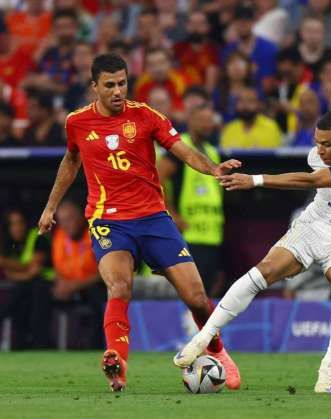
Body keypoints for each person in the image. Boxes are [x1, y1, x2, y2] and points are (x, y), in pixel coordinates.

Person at [37, 53, 241, 391]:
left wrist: (213, 169)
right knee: (119, 286)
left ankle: (219, 352)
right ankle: (117, 364)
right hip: (108, 220)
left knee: (196, 296)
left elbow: (183, 150)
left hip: (153, 219)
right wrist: (50, 207)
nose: (118, 91)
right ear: (94, 87)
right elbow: (71, 161)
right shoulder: (77, 122)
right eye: (110, 85)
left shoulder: (146, 116)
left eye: (122, 83)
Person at [175, 110, 331, 394]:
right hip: (315, 224)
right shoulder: (316, 156)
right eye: (317, 142)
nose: (319, 150)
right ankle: (203, 338)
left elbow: (312, 182)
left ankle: (330, 366)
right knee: (262, 272)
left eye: (327, 144)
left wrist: (254, 180)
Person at [159, 104, 225, 297]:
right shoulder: (181, 147)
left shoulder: (212, 152)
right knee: (188, 295)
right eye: (202, 120)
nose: (207, 125)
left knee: (207, 294)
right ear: (191, 121)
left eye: (210, 120)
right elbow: (158, 176)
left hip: (212, 236)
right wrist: (170, 213)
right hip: (187, 236)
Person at [51, 199, 106, 349]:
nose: (66, 224)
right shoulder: (60, 236)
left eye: (70, 218)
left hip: (93, 284)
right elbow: (58, 265)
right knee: (38, 292)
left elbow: (106, 271)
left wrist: (75, 285)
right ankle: (41, 344)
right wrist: (61, 283)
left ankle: (95, 347)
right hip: (69, 284)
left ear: (81, 216)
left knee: (98, 297)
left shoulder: (96, 233)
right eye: (62, 221)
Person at [0, 207, 53, 349]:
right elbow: (10, 274)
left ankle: (39, 344)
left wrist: (5, 263)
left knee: (32, 291)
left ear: (26, 223)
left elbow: (34, 269)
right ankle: (20, 345)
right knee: (20, 298)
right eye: (13, 224)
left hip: (46, 284)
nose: (17, 228)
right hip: (24, 286)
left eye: (20, 223)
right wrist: (23, 273)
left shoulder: (38, 237)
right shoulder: (9, 243)